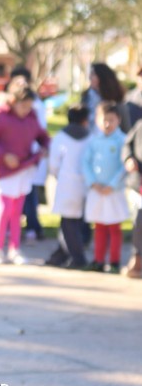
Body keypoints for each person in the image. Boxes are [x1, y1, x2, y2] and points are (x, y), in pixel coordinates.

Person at [0, 86, 50, 266]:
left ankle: (14, 248)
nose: (26, 110)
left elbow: (42, 136)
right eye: (23, 106)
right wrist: (4, 155)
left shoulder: (31, 117)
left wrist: (44, 146)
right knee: (4, 209)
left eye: (28, 106)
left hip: (24, 168)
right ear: (13, 101)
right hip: (5, 170)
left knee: (17, 211)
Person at [83, 102, 129, 273]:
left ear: (119, 120)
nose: (107, 124)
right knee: (100, 226)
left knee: (114, 227)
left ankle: (115, 261)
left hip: (113, 192)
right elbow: (85, 163)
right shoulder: (94, 140)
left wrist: (112, 185)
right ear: (97, 120)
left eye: (112, 120)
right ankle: (98, 260)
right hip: (97, 190)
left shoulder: (123, 140)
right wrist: (93, 182)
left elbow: (124, 166)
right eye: (104, 120)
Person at [45, 106, 90, 269]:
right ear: (85, 120)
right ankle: (60, 255)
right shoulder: (90, 137)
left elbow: (54, 165)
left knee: (68, 223)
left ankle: (78, 258)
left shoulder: (60, 137)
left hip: (66, 184)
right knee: (74, 222)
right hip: (84, 185)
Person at [121, 115, 142, 278]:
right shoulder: (139, 125)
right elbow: (127, 145)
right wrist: (129, 159)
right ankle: (137, 259)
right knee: (138, 222)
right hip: (139, 184)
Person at [81, 63, 130, 132]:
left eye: (93, 74)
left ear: (102, 76)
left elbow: (126, 127)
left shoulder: (116, 100)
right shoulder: (86, 97)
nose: (90, 77)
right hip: (89, 139)